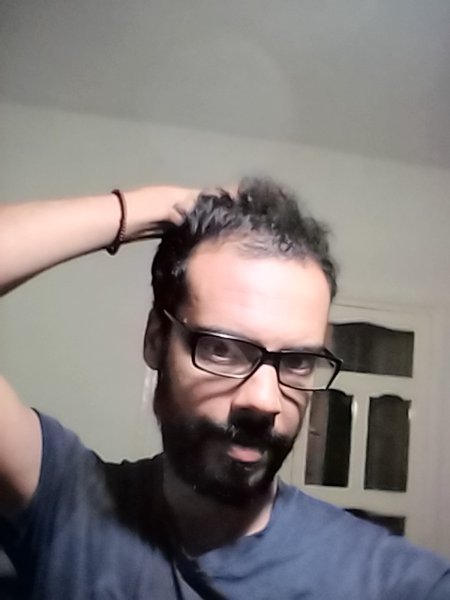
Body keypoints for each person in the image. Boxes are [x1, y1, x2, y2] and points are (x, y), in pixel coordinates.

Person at [0, 178, 449, 600]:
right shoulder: (67, 502)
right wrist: (146, 208)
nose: (265, 402)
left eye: (296, 361)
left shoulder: (391, 581)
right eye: (221, 350)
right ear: (156, 340)